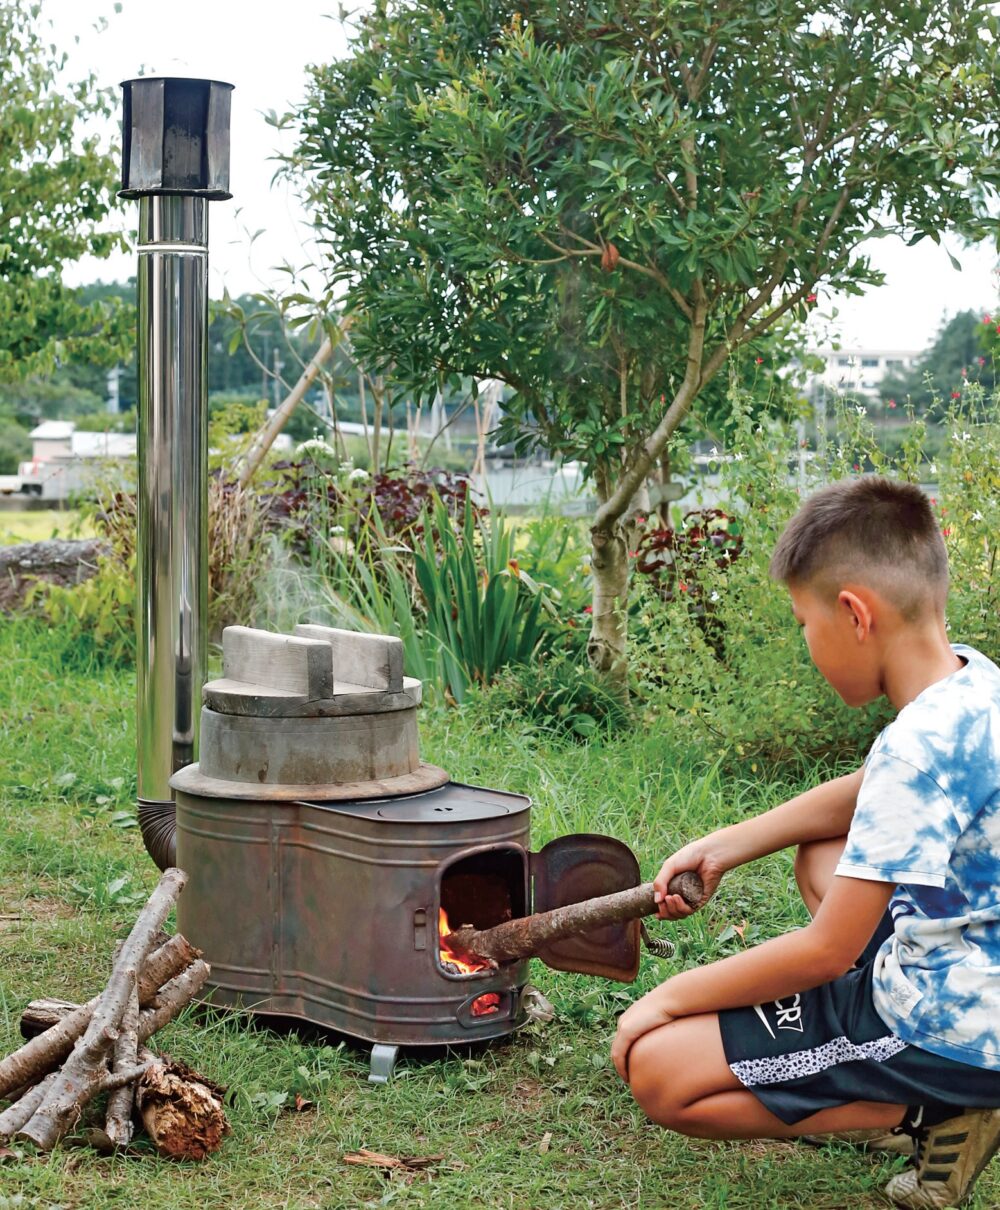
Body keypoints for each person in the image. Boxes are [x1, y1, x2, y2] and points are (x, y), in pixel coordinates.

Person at [611, 477, 1000, 1208]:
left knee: (658, 1068)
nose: (804, 642)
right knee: (824, 854)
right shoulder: (974, 686)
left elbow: (826, 951)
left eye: (802, 621)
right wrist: (729, 843)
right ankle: (922, 1092)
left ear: (854, 614)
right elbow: (867, 791)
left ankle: (929, 1111)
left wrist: (661, 1000)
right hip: (982, 969)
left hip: (958, 1026)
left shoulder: (916, 749)